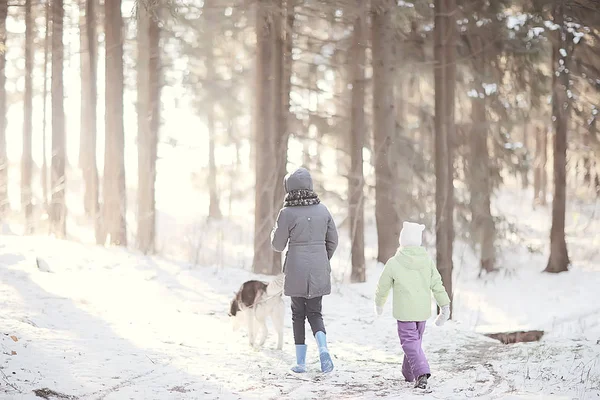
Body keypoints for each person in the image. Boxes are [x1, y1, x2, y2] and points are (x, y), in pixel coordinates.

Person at [271, 167, 338, 374]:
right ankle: (323, 349)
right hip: (318, 266)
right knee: (315, 312)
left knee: (298, 314)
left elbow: (277, 245)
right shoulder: (323, 210)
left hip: (296, 268)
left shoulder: (286, 213)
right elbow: (333, 240)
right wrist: (322, 258)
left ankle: (300, 363)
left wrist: (275, 230)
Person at [374, 221, 451, 389]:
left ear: (402, 240)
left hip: (404, 313)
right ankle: (408, 373)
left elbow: (383, 286)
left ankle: (422, 373)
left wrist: (379, 303)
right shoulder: (427, 262)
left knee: (410, 343)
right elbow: (437, 284)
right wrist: (444, 306)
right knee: (414, 344)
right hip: (422, 313)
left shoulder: (394, 262)